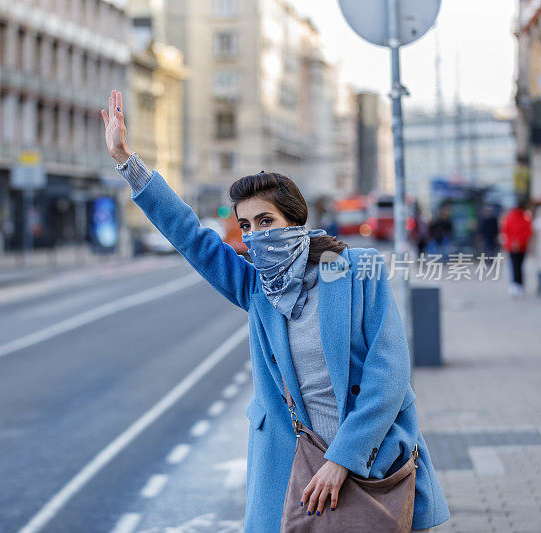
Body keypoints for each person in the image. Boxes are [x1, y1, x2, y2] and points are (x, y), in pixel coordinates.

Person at [101, 90, 448, 532]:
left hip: (366, 454)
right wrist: (127, 161)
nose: (254, 235)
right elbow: (191, 237)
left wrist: (342, 459)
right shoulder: (256, 289)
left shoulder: (358, 270)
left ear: (294, 220)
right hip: (289, 462)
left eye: (266, 221)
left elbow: (390, 373)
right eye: (246, 226)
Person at [500, 199, 534, 298]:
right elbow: (528, 232)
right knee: (520, 266)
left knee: (514, 265)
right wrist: (519, 242)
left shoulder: (509, 218)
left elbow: (506, 231)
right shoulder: (525, 219)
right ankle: (520, 284)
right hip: (522, 247)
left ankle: (515, 284)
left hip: (512, 247)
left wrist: (513, 242)